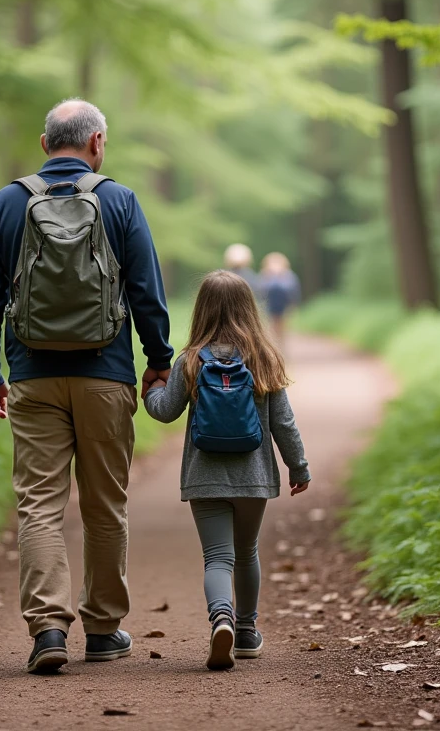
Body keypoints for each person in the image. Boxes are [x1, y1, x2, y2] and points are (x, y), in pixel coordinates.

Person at [0, 98, 174, 675]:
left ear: (45, 144)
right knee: (106, 506)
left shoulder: (5, 203)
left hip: (32, 377)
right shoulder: (119, 200)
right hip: (106, 376)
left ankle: (48, 630)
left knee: (39, 506)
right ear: (97, 142)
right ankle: (103, 630)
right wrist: (159, 359)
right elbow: (146, 290)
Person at [143, 270, 310, 670]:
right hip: (254, 476)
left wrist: (151, 391)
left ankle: (221, 619)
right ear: (249, 308)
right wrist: (298, 466)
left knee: (218, 556)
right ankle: (247, 631)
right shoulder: (264, 358)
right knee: (247, 551)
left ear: (201, 310)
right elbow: (284, 423)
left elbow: (165, 411)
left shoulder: (189, 361)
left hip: (204, 475)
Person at [257, 252, 301, 348]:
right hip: (269, 306)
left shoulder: (289, 276)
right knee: (270, 329)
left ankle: (280, 347)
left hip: (284, 306)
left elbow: (293, 291)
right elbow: (261, 291)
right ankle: (273, 348)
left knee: (282, 328)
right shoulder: (265, 275)